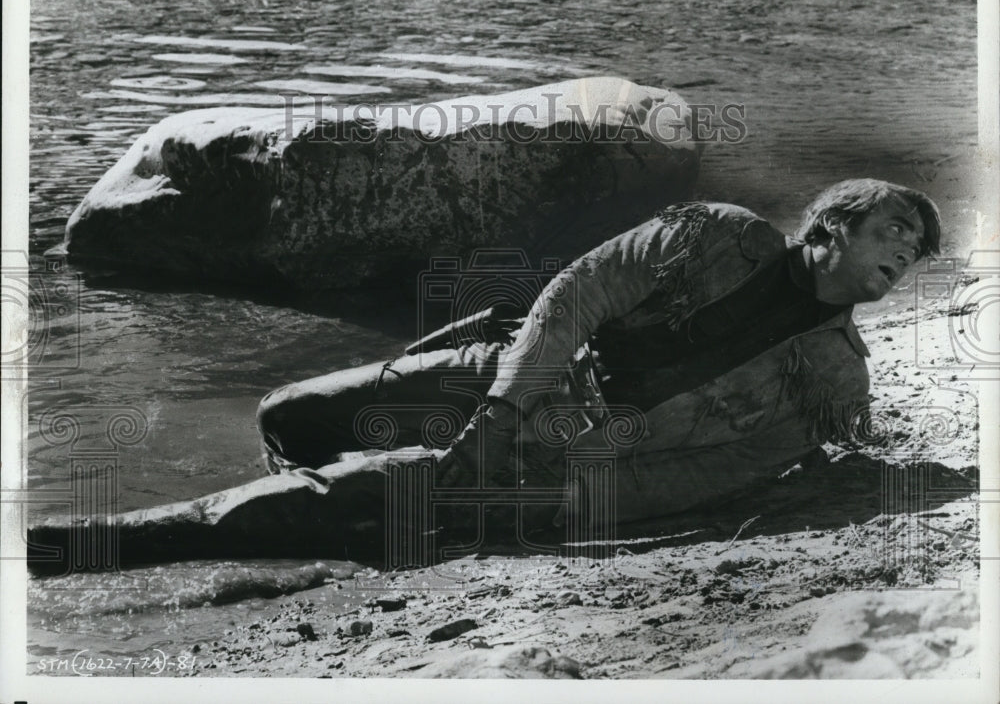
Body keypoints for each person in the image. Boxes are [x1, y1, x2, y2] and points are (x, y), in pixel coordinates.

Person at [27, 178, 940, 571]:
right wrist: (501, 407)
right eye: (893, 229)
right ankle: (329, 532)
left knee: (347, 490)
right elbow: (575, 294)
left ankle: (92, 544)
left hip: (571, 461)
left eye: (916, 251)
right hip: (515, 374)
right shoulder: (718, 234)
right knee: (288, 411)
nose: (905, 253)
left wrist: (564, 499)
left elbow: (718, 473)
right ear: (831, 225)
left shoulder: (834, 381)